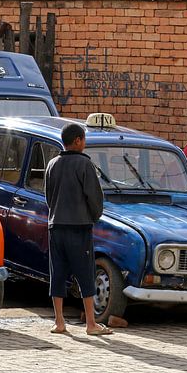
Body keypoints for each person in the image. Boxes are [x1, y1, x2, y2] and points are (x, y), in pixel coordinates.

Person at [45, 123, 111, 336]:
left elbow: (48, 197)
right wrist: (93, 216)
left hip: (56, 226)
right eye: (84, 139)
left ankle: (59, 322)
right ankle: (91, 324)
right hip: (79, 227)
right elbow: (95, 198)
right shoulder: (85, 164)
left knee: (57, 273)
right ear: (78, 140)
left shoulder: (52, 164)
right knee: (85, 273)